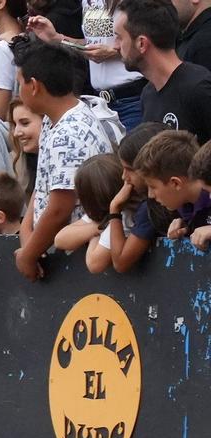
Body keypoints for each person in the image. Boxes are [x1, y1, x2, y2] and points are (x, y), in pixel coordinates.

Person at [14, 41, 124, 279]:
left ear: (33, 86)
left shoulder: (69, 133)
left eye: (19, 83)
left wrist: (28, 254)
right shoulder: (52, 118)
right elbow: (48, 180)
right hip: (53, 248)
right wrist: (27, 230)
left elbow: (60, 208)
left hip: (77, 257)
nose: (18, 90)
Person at [119, 0, 211, 137]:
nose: (115, 46)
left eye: (119, 38)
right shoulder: (148, 94)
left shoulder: (199, 88)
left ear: (142, 43)